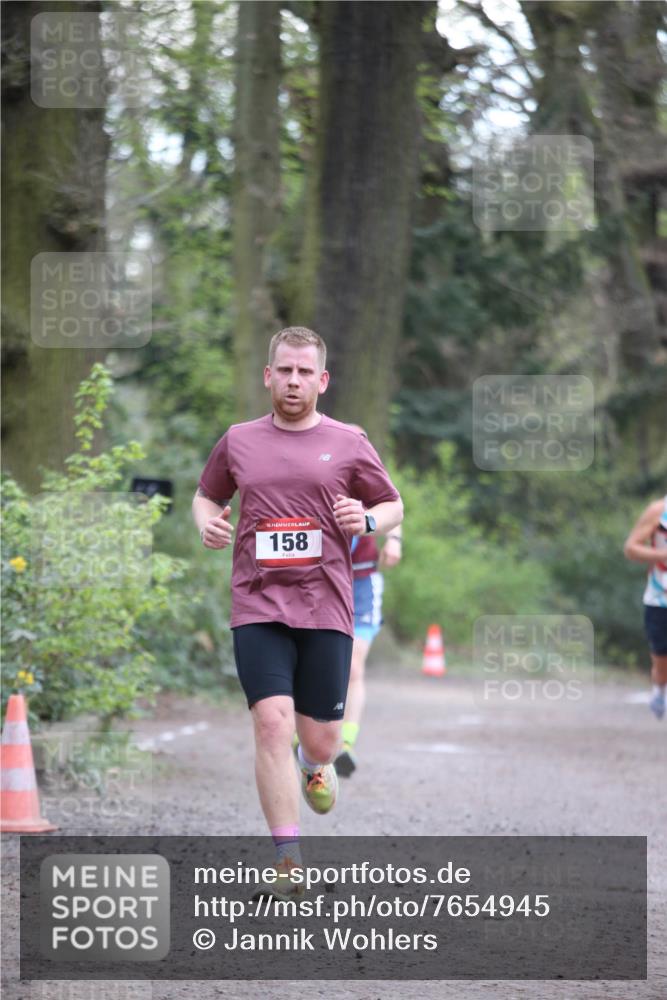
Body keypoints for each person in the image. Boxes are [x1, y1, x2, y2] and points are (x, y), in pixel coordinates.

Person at [192, 326, 403, 897]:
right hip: (257, 603)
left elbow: (392, 503)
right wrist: (207, 521)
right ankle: (287, 859)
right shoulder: (238, 440)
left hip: (325, 607)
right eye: (284, 370)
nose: (293, 380)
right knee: (270, 723)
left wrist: (368, 522)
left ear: (322, 380)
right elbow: (207, 493)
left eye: (304, 372)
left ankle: (316, 767)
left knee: (320, 742)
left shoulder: (349, 443)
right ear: (268, 375)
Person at [334, 428, 403, 777]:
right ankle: (306, 734)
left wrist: (394, 541)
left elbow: (393, 507)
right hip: (324, 583)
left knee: (354, 667)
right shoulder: (323, 473)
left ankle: (346, 743)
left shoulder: (369, 476)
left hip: (361, 584)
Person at [623, 495, 667, 719]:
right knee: (662, 663)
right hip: (660, 598)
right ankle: (659, 689)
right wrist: (662, 555)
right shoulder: (659, 510)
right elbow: (630, 548)